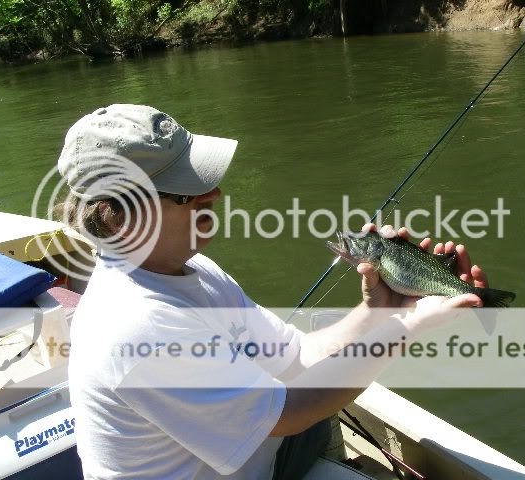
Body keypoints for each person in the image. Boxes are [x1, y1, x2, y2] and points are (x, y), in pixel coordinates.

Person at [58, 104, 487, 479]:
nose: (215, 192)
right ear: (126, 214)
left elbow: (296, 356)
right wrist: (406, 329)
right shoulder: (136, 324)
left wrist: (381, 312)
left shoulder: (193, 270)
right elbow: (287, 413)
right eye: (188, 189)